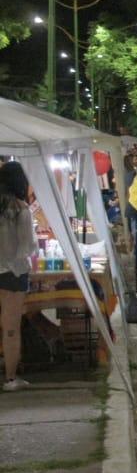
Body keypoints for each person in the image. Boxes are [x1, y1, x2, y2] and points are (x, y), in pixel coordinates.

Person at [1, 162, 38, 391]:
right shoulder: (20, 209)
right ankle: (11, 379)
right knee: (10, 327)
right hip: (14, 273)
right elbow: (27, 246)